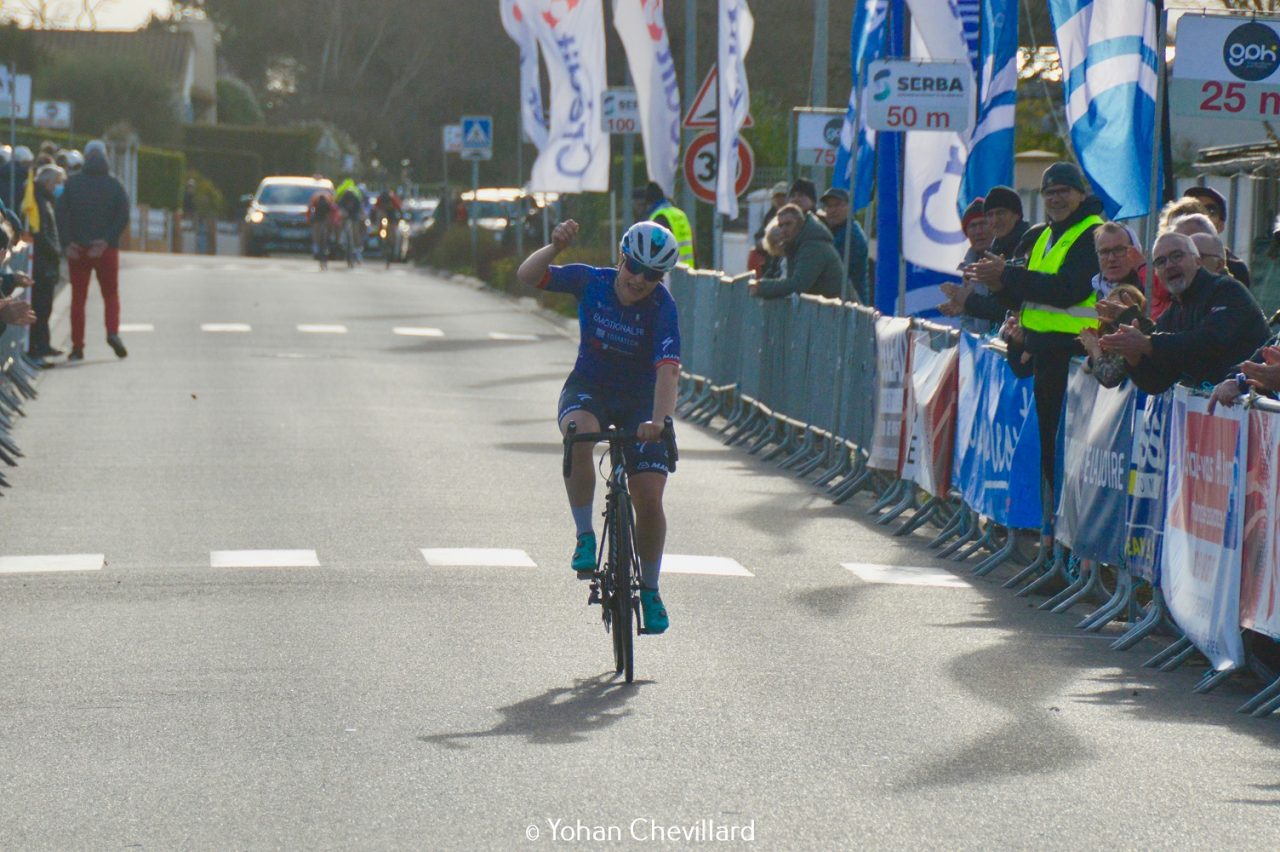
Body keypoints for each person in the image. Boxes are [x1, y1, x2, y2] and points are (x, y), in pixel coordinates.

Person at [515, 218, 682, 635]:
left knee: (648, 496)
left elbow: (668, 370)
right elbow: (527, 276)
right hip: (590, 388)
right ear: (621, 259)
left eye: (652, 274)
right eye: (634, 267)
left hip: (640, 402)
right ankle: (585, 535)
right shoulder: (592, 282)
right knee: (578, 436)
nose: (639, 280)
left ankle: (650, 588)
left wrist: (659, 421)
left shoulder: (662, 307)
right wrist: (553, 247)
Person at [966, 161, 1103, 489]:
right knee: (1048, 451)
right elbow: (1030, 298)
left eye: (1063, 191)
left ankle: (1054, 530)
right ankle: (1048, 525)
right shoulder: (1046, 235)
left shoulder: (1091, 232)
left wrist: (1008, 276)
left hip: (1072, 354)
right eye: (1049, 193)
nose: (1056, 198)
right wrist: (1001, 286)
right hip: (1045, 353)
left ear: (1080, 195)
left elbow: (1068, 289)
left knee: (1064, 453)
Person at [1099, 232, 1269, 394]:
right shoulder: (1171, 314)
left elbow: (1208, 342)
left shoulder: (1227, 290)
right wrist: (1133, 357)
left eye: (1177, 256)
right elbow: (1159, 382)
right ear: (1156, 273)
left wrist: (1147, 343)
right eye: (1160, 261)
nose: (1169, 265)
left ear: (1197, 261)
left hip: (1254, 410)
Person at [55, 139, 130, 361]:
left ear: (86, 158)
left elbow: (60, 214)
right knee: (111, 294)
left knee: (78, 299)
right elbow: (122, 216)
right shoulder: (115, 184)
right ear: (105, 157)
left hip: (78, 249)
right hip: (106, 250)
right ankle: (112, 332)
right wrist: (106, 240)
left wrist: (68, 242)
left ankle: (77, 346)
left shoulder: (72, 183)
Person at [747, 203, 844, 300]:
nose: (783, 230)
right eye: (781, 225)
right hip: (828, 311)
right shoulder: (794, 245)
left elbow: (798, 285)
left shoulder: (813, 246)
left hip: (841, 312)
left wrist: (761, 287)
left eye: (788, 224)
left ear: (800, 223)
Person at [27, 164, 64, 360]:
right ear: (48, 182)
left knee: (45, 307)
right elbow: (40, 232)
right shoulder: (40, 201)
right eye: (56, 182)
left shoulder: (45, 199)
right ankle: (38, 348)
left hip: (46, 262)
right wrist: (55, 250)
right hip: (42, 264)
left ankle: (44, 345)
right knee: (40, 307)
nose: (57, 187)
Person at [1182, 185, 1251, 287]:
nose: (1200, 216)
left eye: (1211, 211)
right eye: (1191, 210)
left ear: (1220, 226)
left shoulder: (1235, 268)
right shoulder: (1166, 261)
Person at [818, 187, 869, 303]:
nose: (832, 210)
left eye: (837, 205)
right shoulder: (833, 230)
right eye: (828, 206)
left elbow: (828, 268)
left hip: (852, 305)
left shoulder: (850, 235)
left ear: (849, 207)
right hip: (839, 302)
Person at [634, 181, 694, 268]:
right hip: (688, 270)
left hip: (670, 271)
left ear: (648, 203)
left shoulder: (658, 217)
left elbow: (656, 251)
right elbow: (693, 243)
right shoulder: (680, 214)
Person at [307, 187, 337, 263]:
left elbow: (309, 209)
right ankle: (329, 239)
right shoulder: (329, 197)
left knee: (316, 230)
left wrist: (309, 219)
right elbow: (334, 210)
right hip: (323, 214)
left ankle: (316, 247)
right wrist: (334, 221)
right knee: (326, 228)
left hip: (319, 214)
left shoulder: (316, 197)